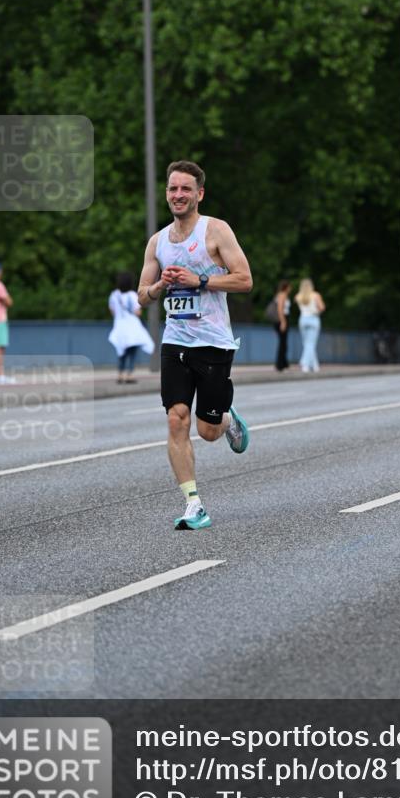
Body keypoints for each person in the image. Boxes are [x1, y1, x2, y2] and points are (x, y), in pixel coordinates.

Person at [137, 160, 252, 530]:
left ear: (199, 194)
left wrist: (199, 280)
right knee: (176, 419)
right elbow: (142, 295)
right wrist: (160, 287)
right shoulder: (157, 242)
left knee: (207, 431)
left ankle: (228, 418)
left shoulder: (215, 231)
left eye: (186, 189)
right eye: (173, 189)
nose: (178, 195)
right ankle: (193, 503)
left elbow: (244, 279)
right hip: (175, 340)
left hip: (214, 343)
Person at [108, 271, 154, 384]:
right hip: (132, 326)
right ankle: (129, 374)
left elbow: (112, 310)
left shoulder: (114, 295)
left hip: (119, 325)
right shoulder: (133, 295)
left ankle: (120, 374)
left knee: (121, 350)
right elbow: (137, 312)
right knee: (132, 351)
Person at [295, 277, 325, 373]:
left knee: (307, 344)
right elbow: (322, 307)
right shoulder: (316, 295)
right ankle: (304, 363)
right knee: (311, 344)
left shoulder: (298, 296)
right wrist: (316, 311)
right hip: (313, 319)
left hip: (303, 320)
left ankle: (315, 366)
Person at [273, 280, 291, 372]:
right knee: (283, 343)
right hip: (282, 319)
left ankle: (284, 363)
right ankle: (280, 365)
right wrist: (283, 322)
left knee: (283, 343)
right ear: (286, 287)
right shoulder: (282, 295)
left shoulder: (281, 295)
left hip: (282, 319)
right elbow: (280, 309)